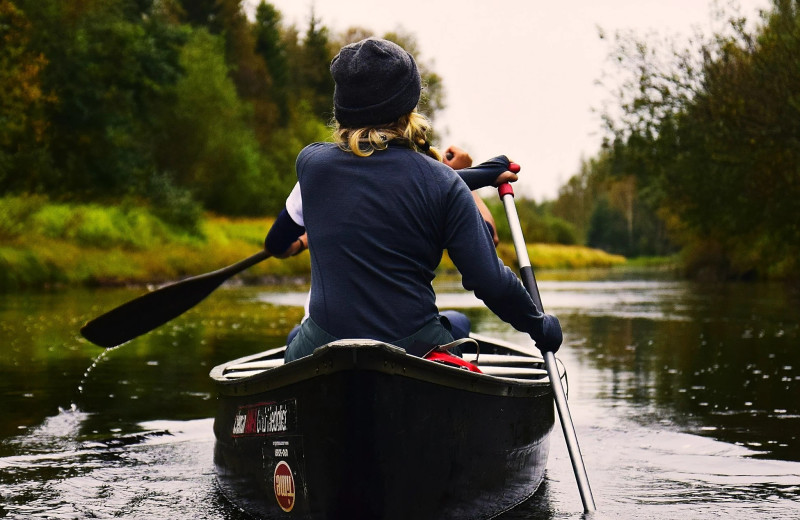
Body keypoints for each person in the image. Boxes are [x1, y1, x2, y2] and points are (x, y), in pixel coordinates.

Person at [264, 37, 562, 362]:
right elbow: (490, 283)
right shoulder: (442, 183)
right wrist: (539, 325)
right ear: (409, 106)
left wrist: (484, 174)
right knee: (459, 323)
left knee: (297, 335)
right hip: (413, 349)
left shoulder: (312, 165)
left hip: (323, 344)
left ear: (342, 108)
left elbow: (277, 243)